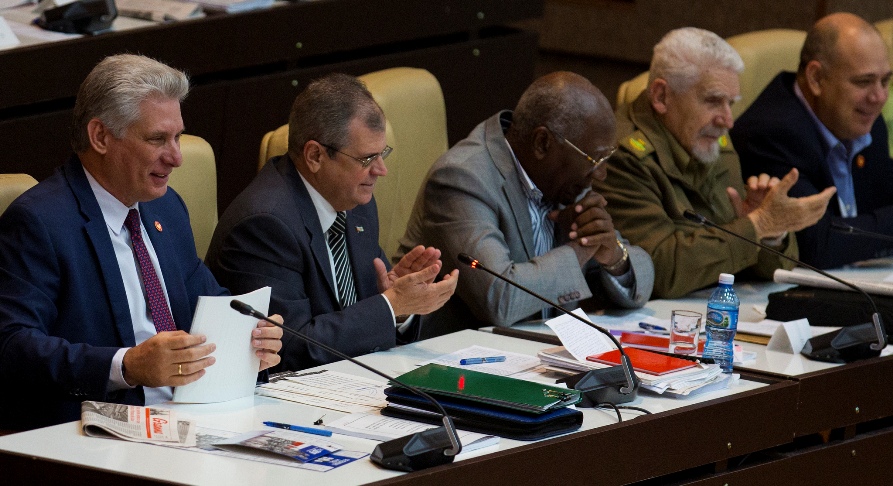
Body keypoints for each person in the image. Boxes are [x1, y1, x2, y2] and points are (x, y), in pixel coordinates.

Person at [0, 54, 283, 431]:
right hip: (94, 434)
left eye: (178, 136)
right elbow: (11, 347)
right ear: (100, 136)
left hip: (192, 417)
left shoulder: (165, 207)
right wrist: (127, 366)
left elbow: (214, 301)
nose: (177, 157)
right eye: (157, 139)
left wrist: (251, 340)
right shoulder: (40, 222)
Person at [205, 73, 458, 371]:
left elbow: (361, 316)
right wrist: (391, 305)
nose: (381, 170)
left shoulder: (356, 203)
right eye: (367, 159)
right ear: (315, 156)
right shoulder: (265, 225)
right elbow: (292, 347)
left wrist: (398, 304)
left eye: (383, 154)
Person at [396, 71, 654, 336]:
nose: (601, 175)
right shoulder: (463, 178)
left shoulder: (565, 179)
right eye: (595, 161)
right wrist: (580, 251)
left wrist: (614, 257)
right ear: (543, 143)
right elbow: (499, 297)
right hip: (463, 359)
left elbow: (644, 277)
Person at [593, 27, 837, 299]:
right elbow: (658, 271)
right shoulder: (621, 157)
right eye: (712, 101)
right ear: (662, 96)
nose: (728, 121)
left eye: (731, 103)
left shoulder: (709, 139)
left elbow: (765, 268)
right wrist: (756, 225)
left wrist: (768, 234)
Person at [731, 13, 893, 269]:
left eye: (886, 81)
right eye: (864, 82)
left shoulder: (864, 119)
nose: (879, 97)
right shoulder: (772, 133)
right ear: (816, 79)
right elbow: (817, 244)